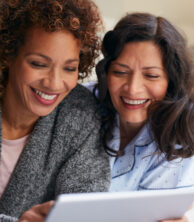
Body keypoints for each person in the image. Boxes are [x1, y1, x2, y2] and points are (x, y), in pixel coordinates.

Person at [0, 0, 110, 222]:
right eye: (38, 64)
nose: (54, 83)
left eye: (69, 68)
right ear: (7, 55)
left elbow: (86, 202)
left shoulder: (80, 111)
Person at [86, 12, 194, 221]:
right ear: (106, 72)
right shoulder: (80, 106)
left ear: (171, 81)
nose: (133, 89)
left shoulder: (186, 132)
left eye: (151, 76)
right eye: (120, 72)